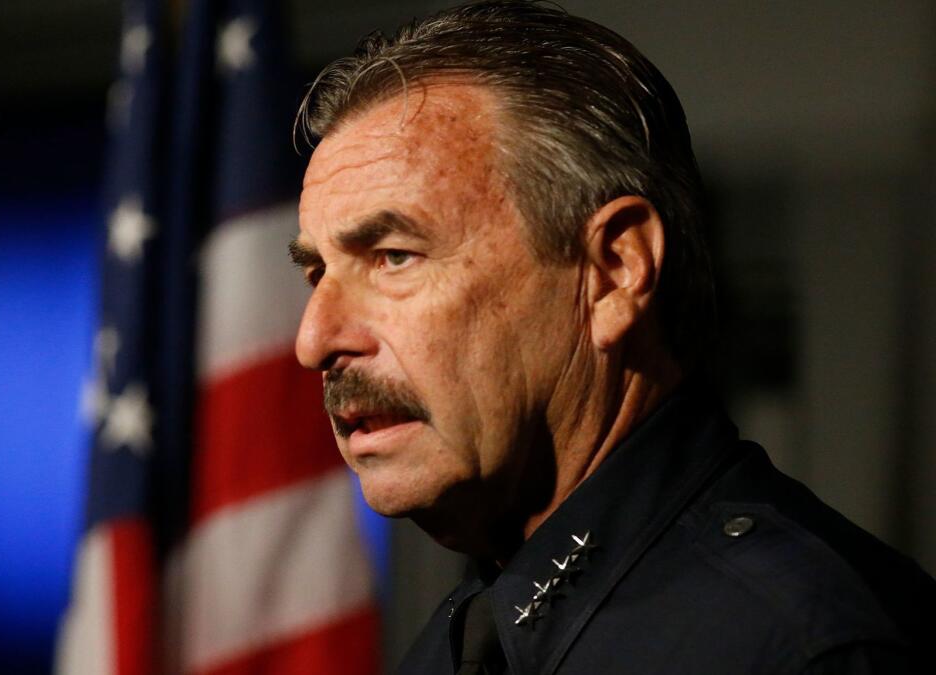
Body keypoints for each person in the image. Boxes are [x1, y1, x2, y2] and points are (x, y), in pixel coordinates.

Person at [287, 1, 936, 673]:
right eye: (316, 272)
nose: (315, 339)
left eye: (394, 255)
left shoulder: (797, 646)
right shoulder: (465, 641)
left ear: (614, 271)